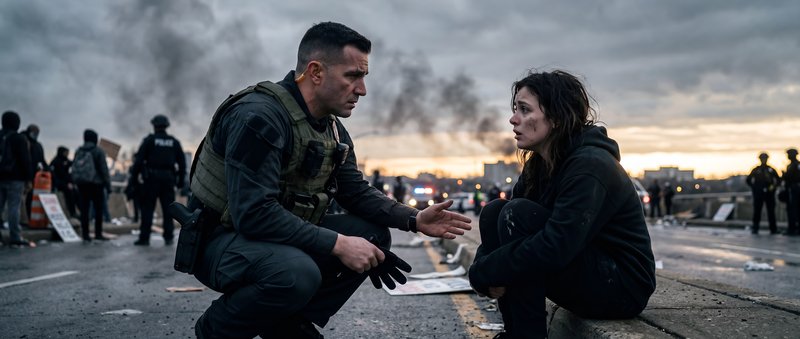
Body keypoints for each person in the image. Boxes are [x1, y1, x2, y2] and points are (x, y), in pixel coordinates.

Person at [187, 22, 471, 338]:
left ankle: (289, 324)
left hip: (270, 238)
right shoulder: (259, 117)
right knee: (296, 274)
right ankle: (218, 328)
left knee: (372, 237)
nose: (362, 89)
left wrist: (414, 219)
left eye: (363, 77)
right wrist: (338, 244)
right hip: (221, 241)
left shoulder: (331, 127)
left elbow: (355, 191)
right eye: (352, 76)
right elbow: (253, 214)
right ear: (316, 72)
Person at [468, 70, 656, 338]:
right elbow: (504, 229)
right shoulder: (540, 164)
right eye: (515, 109)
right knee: (494, 212)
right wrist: (482, 268)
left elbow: (555, 247)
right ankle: (516, 333)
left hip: (621, 286)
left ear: (555, 117)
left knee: (515, 214)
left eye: (524, 110)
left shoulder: (590, 165)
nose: (513, 119)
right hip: (586, 267)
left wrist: (487, 270)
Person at [131, 114, 186, 246]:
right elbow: (182, 163)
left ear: (154, 126)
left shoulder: (149, 140)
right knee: (168, 209)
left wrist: (133, 178)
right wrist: (180, 181)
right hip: (168, 179)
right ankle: (168, 236)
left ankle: (144, 238)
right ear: (166, 126)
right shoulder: (174, 142)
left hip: (151, 179)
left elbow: (138, 161)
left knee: (147, 209)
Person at [0, 111, 33, 247]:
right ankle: (15, 236)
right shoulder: (19, 139)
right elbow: (25, 160)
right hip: (15, 178)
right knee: (14, 207)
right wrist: (29, 179)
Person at [72, 129, 111, 243]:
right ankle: (98, 234)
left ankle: (85, 235)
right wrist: (108, 185)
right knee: (98, 209)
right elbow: (104, 170)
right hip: (96, 184)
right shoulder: (98, 151)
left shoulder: (79, 150)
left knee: (84, 209)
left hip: (82, 184)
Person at [746, 152, 781, 235]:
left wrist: (773, 187)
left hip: (769, 194)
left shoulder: (771, 169)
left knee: (771, 211)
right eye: (762, 159)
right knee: (757, 211)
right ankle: (755, 227)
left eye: (765, 158)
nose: (764, 160)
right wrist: (755, 188)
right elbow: (748, 180)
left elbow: (778, 180)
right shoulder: (756, 169)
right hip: (758, 194)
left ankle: (773, 229)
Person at [49, 146, 77, 218]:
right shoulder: (56, 161)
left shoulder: (66, 160)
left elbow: (72, 165)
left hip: (67, 183)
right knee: (69, 193)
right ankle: (72, 212)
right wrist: (66, 184)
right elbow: (59, 175)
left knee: (76, 193)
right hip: (59, 184)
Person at [783, 148, 800, 236]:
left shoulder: (797, 165)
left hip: (796, 190)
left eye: (789, 154)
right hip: (791, 189)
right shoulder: (790, 165)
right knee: (791, 209)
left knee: (795, 209)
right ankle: (792, 228)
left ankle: (795, 228)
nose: (788, 156)